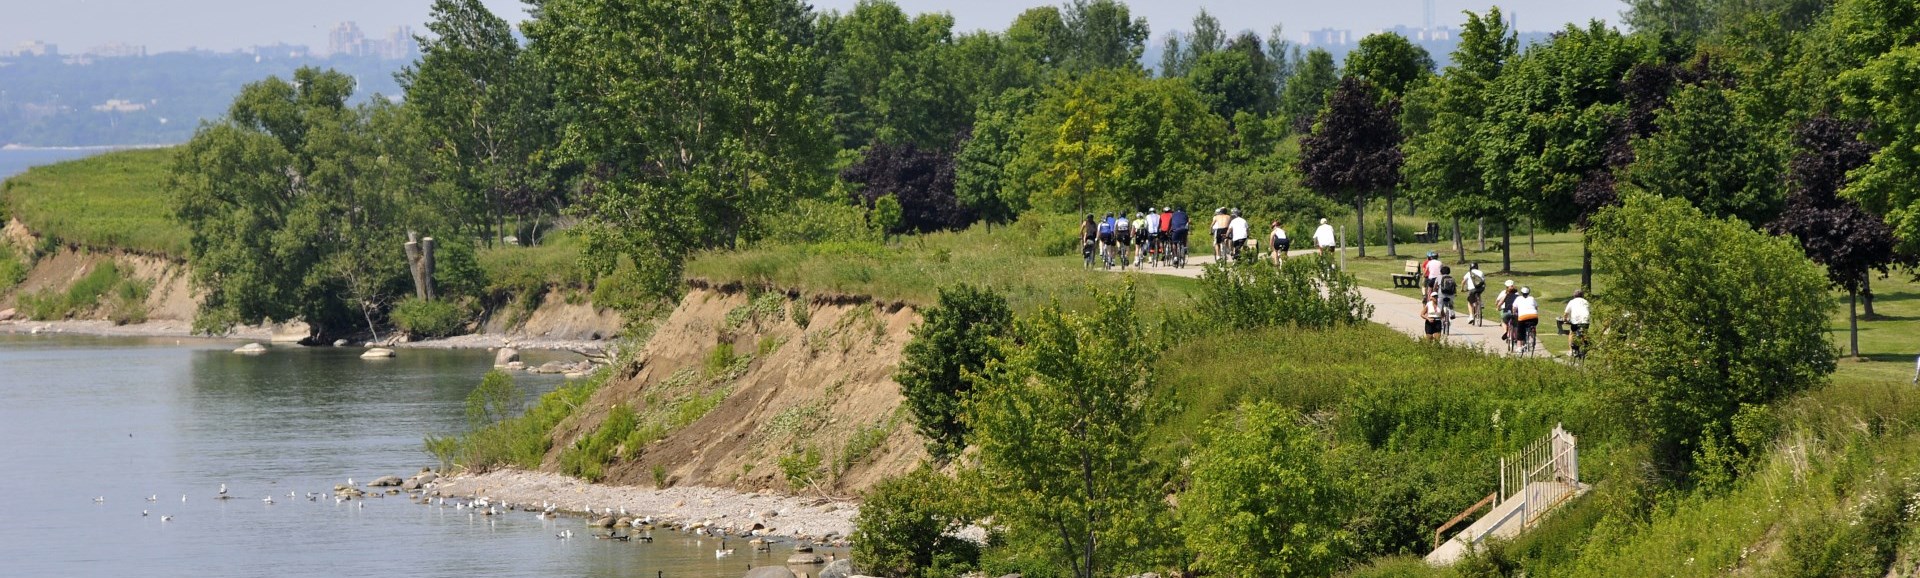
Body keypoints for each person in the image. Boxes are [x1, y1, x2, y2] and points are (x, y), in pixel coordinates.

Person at [1564, 289, 1591, 359]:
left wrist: (1565, 320)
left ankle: (1571, 351)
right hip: (1585, 320)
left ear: (1574, 296)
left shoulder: (1572, 302)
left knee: (1572, 333)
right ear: (1582, 295)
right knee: (1585, 333)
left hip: (1576, 321)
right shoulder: (1586, 302)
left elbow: (1566, 313)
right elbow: (1589, 311)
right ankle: (1586, 348)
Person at [1514, 287, 1540, 353]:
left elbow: (1514, 308)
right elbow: (1536, 307)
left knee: (1520, 331)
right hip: (1534, 316)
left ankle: (1519, 346)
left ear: (1521, 293)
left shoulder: (1518, 298)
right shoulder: (1532, 298)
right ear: (1529, 293)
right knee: (1532, 325)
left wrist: (1514, 314)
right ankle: (1532, 335)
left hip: (1523, 317)